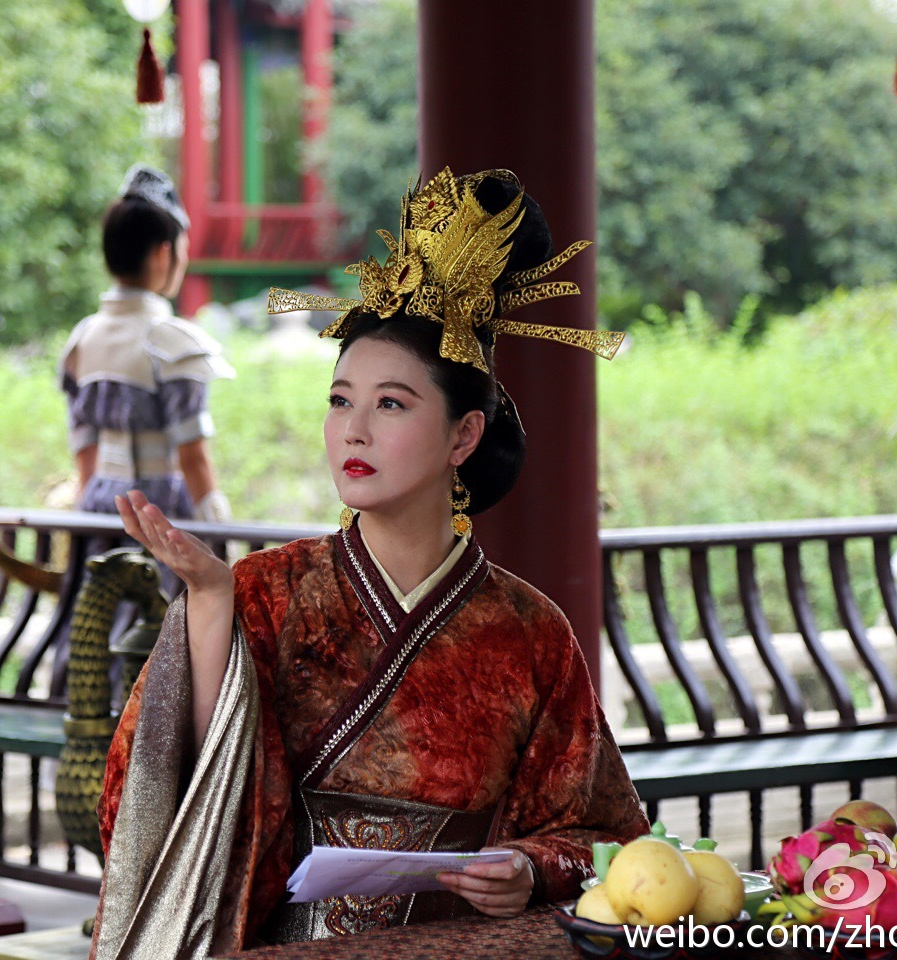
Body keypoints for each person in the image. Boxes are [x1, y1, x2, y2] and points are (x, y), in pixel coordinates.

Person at [89, 168, 646, 960]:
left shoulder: (530, 631)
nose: (353, 429)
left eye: (390, 403)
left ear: (464, 436)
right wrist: (210, 604)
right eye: (339, 399)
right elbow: (172, 800)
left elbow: (608, 835)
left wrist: (529, 868)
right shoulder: (262, 592)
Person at [59, 164, 235, 526]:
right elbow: (193, 460)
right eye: (182, 249)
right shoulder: (172, 343)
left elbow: (84, 452)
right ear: (161, 254)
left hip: (98, 514)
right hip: (159, 515)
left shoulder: (82, 339)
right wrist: (221, 536)